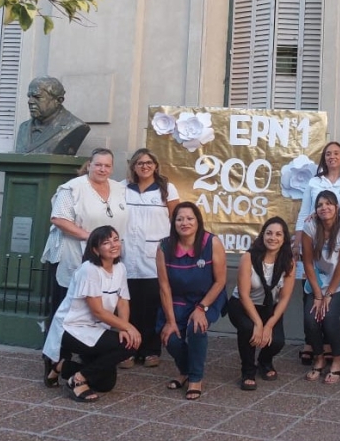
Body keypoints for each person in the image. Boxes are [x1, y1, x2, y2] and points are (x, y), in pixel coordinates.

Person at [42, 226, 140, 402]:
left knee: (105, 384)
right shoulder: (89, 270)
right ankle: (77, 379)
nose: (113, 245)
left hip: (96, 329)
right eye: (106, 242)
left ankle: (61, 366)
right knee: (129, 345)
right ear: (95, 249)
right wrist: (129, 327)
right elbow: (98, 311)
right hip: (71, 328)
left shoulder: (120, 268)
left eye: (116, 239)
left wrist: (123, 328)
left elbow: (123, 300)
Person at [43, 148, 129, 319]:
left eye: (107, 166)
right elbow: (59, 218)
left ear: (112, 168)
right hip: (74, 254)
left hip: (107, 256)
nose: (102, 169)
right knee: (71, 305)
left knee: (100, 303)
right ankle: (62, 336)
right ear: (89, 165)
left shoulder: (119, 188)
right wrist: (92, 238)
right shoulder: (72, 188)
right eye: (98, 165)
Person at [156, 202, 228, 401]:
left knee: (196, 328)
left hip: (207, 297)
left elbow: (220, 281)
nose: (184, 223)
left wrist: (201, 308)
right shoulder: (164, 247)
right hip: (177, 299)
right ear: (173, 223)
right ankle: (185, 371)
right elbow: (164, 286)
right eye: (179, 219)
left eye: (189, 218)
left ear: (198, 221)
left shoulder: (212, 242)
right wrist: (170, 321)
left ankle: (195, 378)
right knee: (170, 338)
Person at [120, 148, 179, 369]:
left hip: (154, 256)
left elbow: (176, 221)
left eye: (148, 162)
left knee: (153, 306)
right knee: (128, 305)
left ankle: (151, 350)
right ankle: (128, 350)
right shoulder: (122, 188)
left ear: (155, 165)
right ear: (133, 166)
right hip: (127, 254)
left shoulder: (167, 189)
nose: (144, 166)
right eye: (140, 163)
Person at [295, 142, 340, 366]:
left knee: (330, 303)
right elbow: (304, 212)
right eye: (328, 154)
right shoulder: (314, 182)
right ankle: (311, 342)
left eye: (336, 153)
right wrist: (297, 242)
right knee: (310, 291)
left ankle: (328, 345)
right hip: (314, 240)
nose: (332, 157)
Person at [228, 217, 296, 390]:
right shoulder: (248, 257)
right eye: (269, 233)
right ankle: (248, 371)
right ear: (263, 235)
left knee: (277, 341)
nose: (273, 238)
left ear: (284, 238)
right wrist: (258, 323)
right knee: (248, 330)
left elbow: (285, 298)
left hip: (269, 307)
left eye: (278, 234)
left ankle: (264, 361)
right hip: (243, 304)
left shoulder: (288, 261)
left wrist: (269, 325)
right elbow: (243, 294)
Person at [301, 190, 340, 384]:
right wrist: (318, 294)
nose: (324, 207)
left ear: (337, 207)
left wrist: (329, 294)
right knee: (311, 317)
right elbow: (308, 263)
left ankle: (338, 360)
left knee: (329, 315)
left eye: (328, 204)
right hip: (318, 279)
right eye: (320, 205)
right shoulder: (310, 226)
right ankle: (319, 357)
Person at [15, 76, 90, 155]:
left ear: (58, 101)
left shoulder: (74, 126)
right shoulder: (23, 127)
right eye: (29, 97)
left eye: (37, 97)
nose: (30, 101)